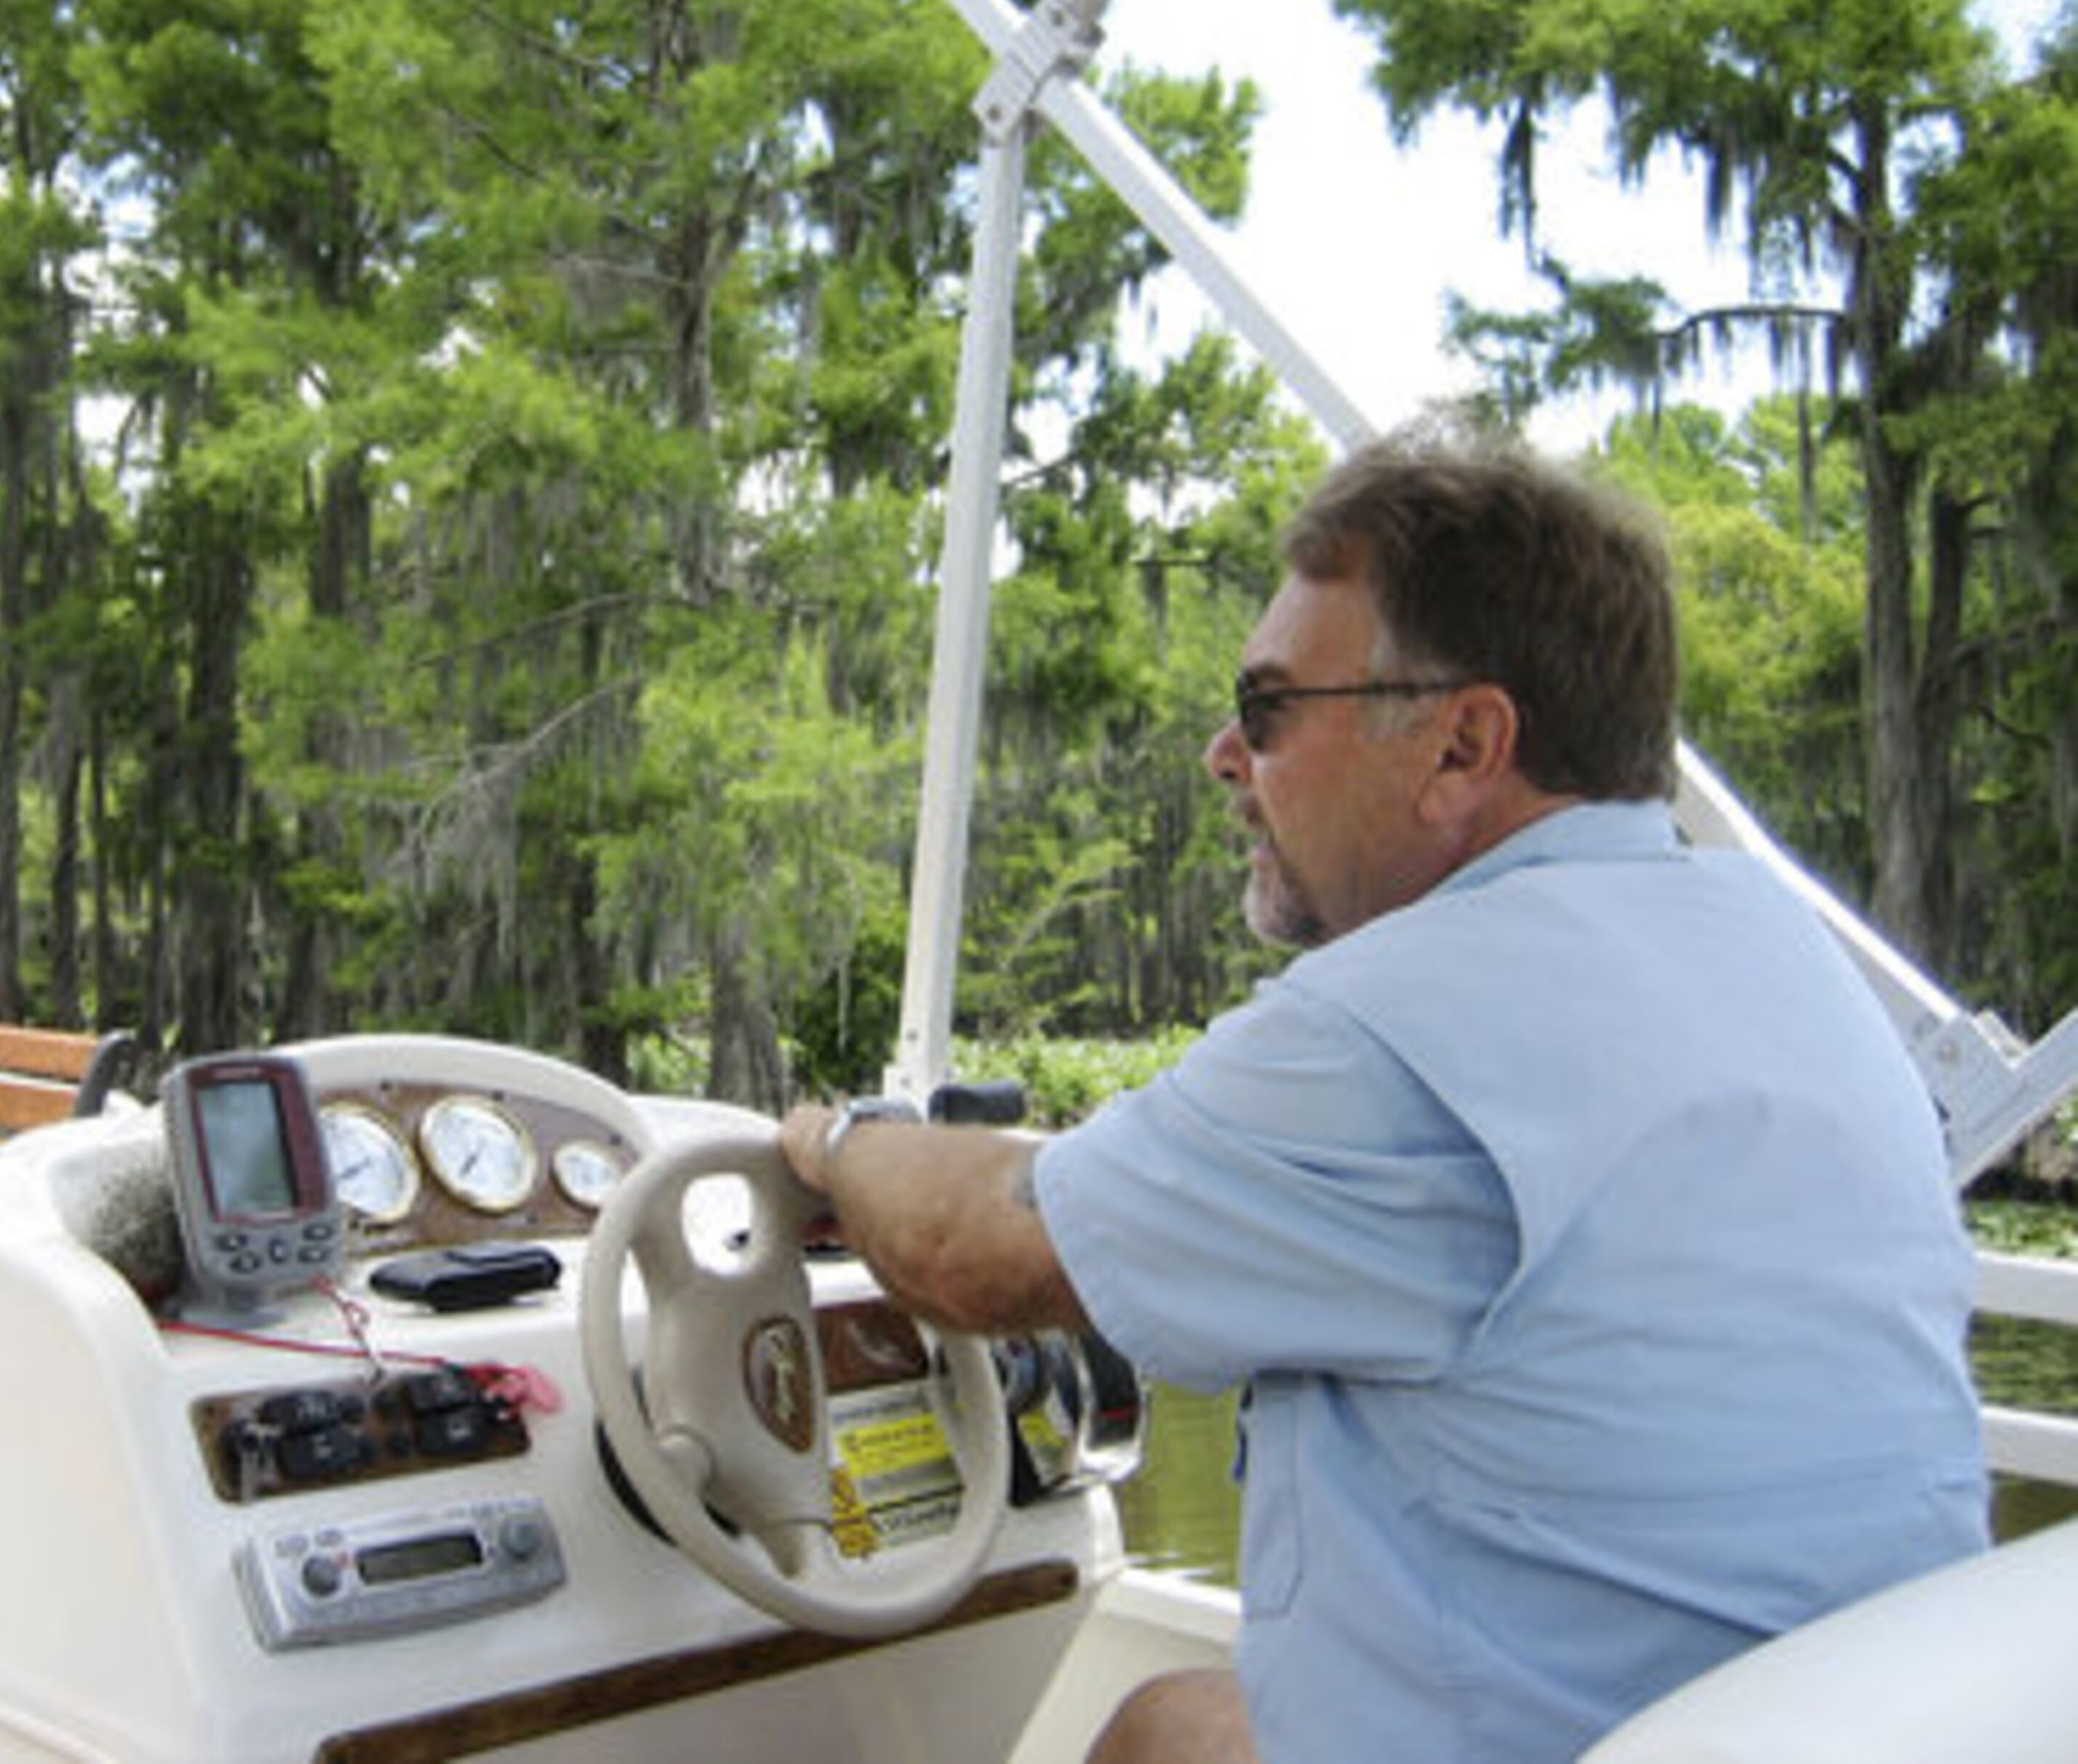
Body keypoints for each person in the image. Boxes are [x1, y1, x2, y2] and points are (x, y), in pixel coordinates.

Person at [780, 434, 1988, 1764]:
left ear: (1464, 743)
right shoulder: (1776, 954)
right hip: (1828, 1721)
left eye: (1270, 705)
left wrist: (840, 1142)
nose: (1223, 753)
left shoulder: (1409, 1021)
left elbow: (967, 1248)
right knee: (1170, 1728)